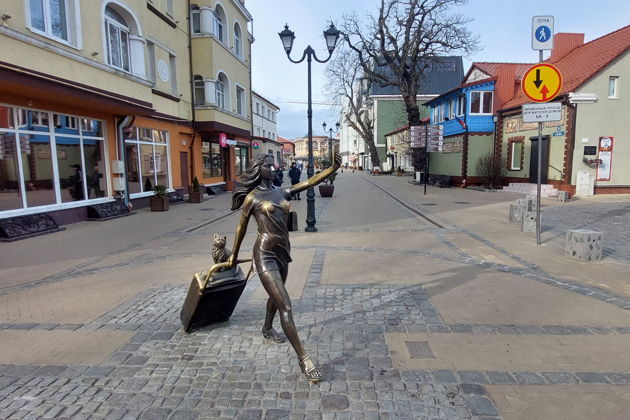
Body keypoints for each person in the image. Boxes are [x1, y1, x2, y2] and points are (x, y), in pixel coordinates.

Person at [223, 153, 341, 383]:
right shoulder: (252, 198)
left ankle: (267, 328)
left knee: (276, 297)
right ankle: (304, 359)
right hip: (264, 254)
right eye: (267, 165)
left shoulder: (280, 191)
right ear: (259, 169)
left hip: (283, 253)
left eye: (272, 164)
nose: (273, 167)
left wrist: (332, 169)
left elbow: (308, 183)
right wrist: (233, 256)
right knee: (286, 305)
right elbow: (240, 229)